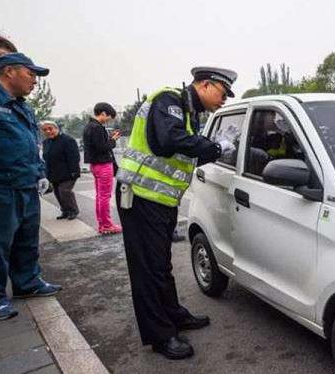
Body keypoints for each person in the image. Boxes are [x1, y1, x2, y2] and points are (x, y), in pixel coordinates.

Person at [115, 66, 237, 359]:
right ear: (206, 85)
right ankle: (160, 336)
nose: (224, 100)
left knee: (161, 265)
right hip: (140, 197)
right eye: (222, 93)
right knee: (147, 270)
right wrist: (216, 146)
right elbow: (169, 141)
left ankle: (174, 315)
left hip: (161, 201)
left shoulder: (189, 114)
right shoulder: (168, 100)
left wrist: (213, 148)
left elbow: (189, 150)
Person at [0, 53, 62, 321]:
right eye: (31, 74)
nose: (35, 82)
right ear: (9, 72)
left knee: (26, 240)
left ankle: (27, 282)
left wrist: (40, 172)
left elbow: (32, 142)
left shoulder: (22, 105)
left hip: (25, 183)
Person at [83, 103, 122, 234]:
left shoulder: (89, 126)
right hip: (103, 164)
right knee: (105, 196)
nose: (108, 120)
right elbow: (103, 147)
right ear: (103, 113)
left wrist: (109, 139)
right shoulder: (97, 128)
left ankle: (102, 224)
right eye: (109, 117)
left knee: (100, 196)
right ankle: (106, 224)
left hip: (94, 165)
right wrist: (113, 140)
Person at [41, 120, 81, 220]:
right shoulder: (46, 142)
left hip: (68, 173)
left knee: (64, 191)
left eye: (50, 129)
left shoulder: (68, 140)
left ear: (56, 128)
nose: (48, 131)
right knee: (57, 193)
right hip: (54, 173)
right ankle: (65, 210)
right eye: (45, 130)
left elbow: (74, 157)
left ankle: (73, 210)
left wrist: (74, 172)